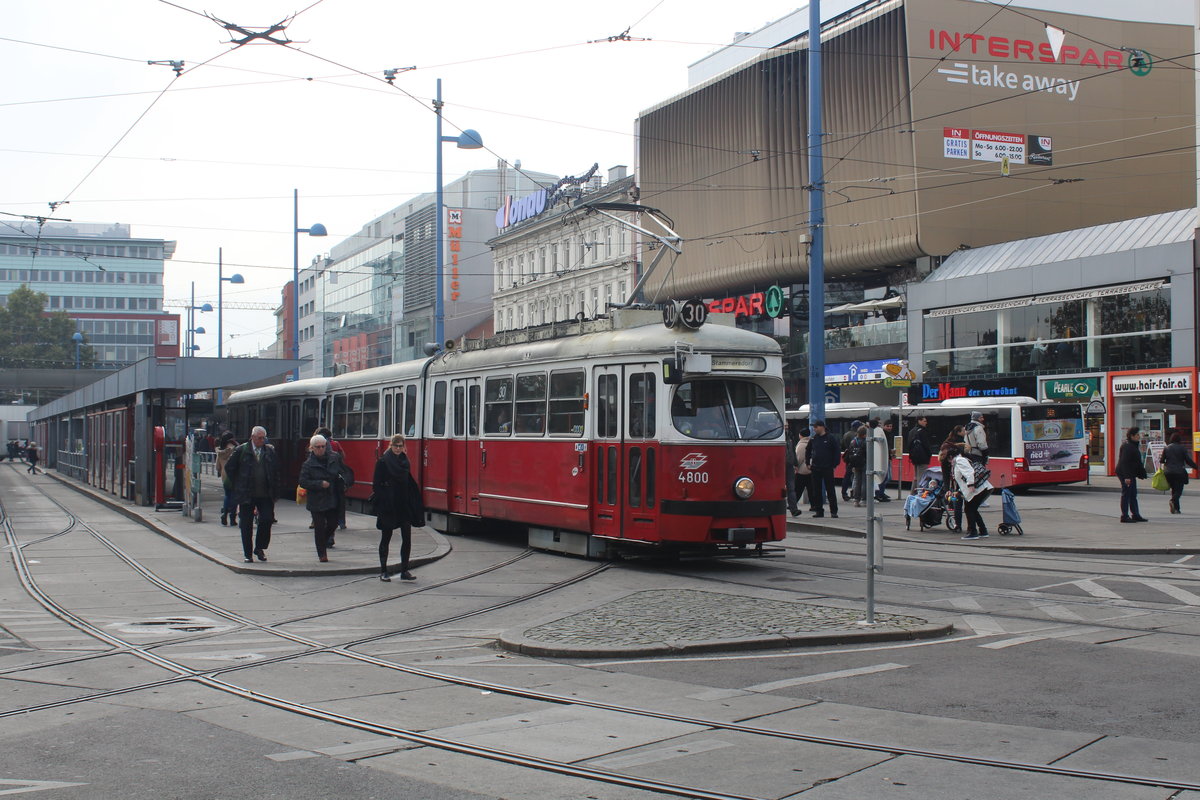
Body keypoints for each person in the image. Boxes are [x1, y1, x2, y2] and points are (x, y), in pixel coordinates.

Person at [224, 426, 281, 564]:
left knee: (267, 520)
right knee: (246, 524)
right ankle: (248, 554)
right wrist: (238, 485)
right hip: (246, 494)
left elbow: (275, 470)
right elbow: (229, 468)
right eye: (259, 438)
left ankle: (260, 547)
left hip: (265, 494)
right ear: (253, 437)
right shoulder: (241, 450)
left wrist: (276, 489)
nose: (262, 440)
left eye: (264, 438)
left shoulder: (269, 451)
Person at [372, 435, 424, 581]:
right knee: (386, 537)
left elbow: (409, 482)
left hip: (403, 504)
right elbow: (376, 485)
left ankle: (404, 570)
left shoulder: (404, 461)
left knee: (407, 537)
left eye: (401, 446)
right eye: (396, 446)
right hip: (388, 504)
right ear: (391, 445)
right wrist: (384, 500)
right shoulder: (383, 461)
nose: (398, 449)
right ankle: (383, 571)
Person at [299, 434, 349, 562]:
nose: (321, 449)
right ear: (312, 448)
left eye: (323, 446)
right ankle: (322, 554)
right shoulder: (308, 464)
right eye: (318, 447)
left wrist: (344, 482)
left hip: (332, 497)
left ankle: (323, 541)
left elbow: (343, 471)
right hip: (317, 501)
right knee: (319, 527)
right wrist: (319, 484)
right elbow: (303, 482)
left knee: (333, 523)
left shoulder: (334, 457)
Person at [951, 444, 993, 540]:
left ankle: (973, 532)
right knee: (972, 509)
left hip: (977, 489)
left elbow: (969, 473)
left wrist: (970, 484)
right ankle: (983, 531)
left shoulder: (959, 460)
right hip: (981, 488)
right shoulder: (963, 459)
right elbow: (962, 479)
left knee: (969, 509)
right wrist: (959, 491)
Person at [804, 419, 840, 519]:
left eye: (816, 427)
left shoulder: (830, 438)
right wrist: (808, 462)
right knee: (816, 491)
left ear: (822, 427)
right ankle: (819, 511)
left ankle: (834, 511)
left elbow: (836, 451)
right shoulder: (814, 439)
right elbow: (808, 450)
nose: (814, 429)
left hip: (827, 468)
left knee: (830, 490)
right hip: (816, 468)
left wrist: (834, 464)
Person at [315, 427, 348, 532]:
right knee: (340, 501)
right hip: (337, 479)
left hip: (324, 481)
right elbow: (343, 456)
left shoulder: (317, 446)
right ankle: (342, 522)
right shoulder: (336, 444)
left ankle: (319, 523)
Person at [1114, 426, 1148, 523]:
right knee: (1126, 494)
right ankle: (1124, 516)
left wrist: (1141, 472)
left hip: (1130, 473)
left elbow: (1136, 461)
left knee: (1133, 494)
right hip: (1125, 473)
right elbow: (1125, 462)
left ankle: (1136, 514)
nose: (1139, 437)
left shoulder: (1133, 445)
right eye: (1137, 435)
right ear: (1132, 436)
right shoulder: (1128, 446)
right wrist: (1127, 477)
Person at [1162, 432, 1197, 515]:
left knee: (1174, 490)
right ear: (1179, 439)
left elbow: (1162, 460)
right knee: (1179, 491)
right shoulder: (1182, 448)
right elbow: (1188, 460)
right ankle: (1173, 501)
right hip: (1179, 472)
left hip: (1168, 472)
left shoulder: (1166, 448)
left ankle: (1177, 509)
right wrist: (1196, 467)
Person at [215, 432, 239, 527]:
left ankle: (224, 513)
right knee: (235, 497)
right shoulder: (235, 449)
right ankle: (232, 518)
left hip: (225, 477)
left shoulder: (220, 451)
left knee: (227, 495)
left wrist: (222, 471)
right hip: (234, 475)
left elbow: (217, 467)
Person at [906, 414, 933, 492]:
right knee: (921, 477)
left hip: (914, 457)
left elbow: (908, 444)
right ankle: (919, 493)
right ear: (919, 421)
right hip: (922, 457)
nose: (926, 423)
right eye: (924, 421)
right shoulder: (922, 431)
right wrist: (929, 454)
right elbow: (926, 445)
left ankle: (912, 493)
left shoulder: (911, 431)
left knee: (916, 477)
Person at [869, 418, 893, 502]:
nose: (889, 428)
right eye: (888, 426)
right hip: (882, 459)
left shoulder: (886, 434)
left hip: (886, 458)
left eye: (891, 426)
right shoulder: (881, 434)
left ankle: (881, 493)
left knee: (886, 477)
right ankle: (879, 493)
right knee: (883, 477)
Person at [845, 426, 868, 507]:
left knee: (857, 481)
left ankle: (856, 499)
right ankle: (864, 499)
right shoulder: (866, 442)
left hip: (855, 463)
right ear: (864, 435)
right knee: (865, 482)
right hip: (864, 463)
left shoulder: (853, 441)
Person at [840, 421, 863, 500]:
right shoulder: (857, 436)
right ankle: (855, 493)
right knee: (857, 477)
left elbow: (842, 445)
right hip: (856, 458)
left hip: (849, 458)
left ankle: (844, 492)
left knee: (847, 476)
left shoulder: (846, 434)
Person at [794, 426, 812, 514]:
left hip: (802, 471)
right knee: (812, 490)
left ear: (801, 435)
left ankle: (793, 504)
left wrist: (795, 467)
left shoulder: (801, 445)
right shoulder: (811, 442)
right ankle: (814, 505)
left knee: (797, 489)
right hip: (811, 470)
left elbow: (798, 458)